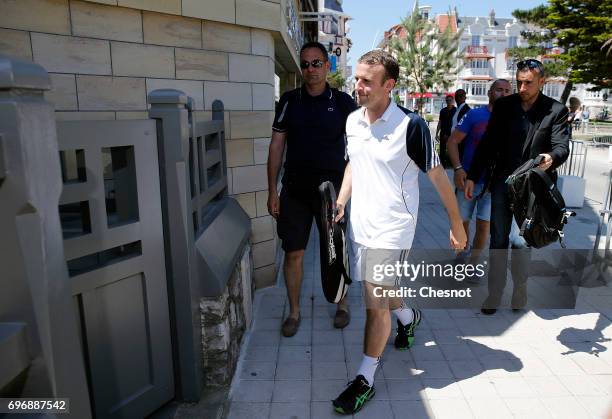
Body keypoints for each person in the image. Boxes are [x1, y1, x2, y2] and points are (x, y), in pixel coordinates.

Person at [331, 50, 467, 414]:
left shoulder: (411, 126)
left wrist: (455, 224)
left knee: (374, 303)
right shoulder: (352, 121)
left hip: (393, 229)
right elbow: (353, 165)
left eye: (366, 81)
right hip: (360, 224)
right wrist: (342, 200)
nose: (357, 86)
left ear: (389, 85)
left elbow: (437, 178)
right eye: (356, 78)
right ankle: (408, 317)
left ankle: (365, 377)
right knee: (385, 293)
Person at [464, 58, 570, 315]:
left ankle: (520, 287)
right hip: (502, 183)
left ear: (541, 82)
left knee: (521, 242)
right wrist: (472, 175)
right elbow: (488, 143)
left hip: (534, 187)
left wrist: (551, 158)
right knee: (498, 240)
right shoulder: (504, 106)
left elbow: (562, 147)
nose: (522, 88)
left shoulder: (555, 110)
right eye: (519, 82)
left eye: (528, 83)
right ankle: (495, 293)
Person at [267, 41, 358, 337]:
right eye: (305, 64)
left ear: (327, 66)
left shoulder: (344, 103)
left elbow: (357, 152)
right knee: (293, 253)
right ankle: (293, 312)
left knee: (335, 252)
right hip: (294, 191)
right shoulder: (290, 100)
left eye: (316, 63)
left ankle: (342, 303)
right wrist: (272, 190)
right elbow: (277, 145)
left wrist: (345, 194)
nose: (310, 69)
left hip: (331, 195)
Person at [447, 79, 512, 264]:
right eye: (499, 89)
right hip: (468, 180)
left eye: (508, 91)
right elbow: (452, 142)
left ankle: (474, 263)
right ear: (490, 93)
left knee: (484, 227)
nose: (504, 93)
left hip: (493, 185)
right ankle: (461, 256)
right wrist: (458, 169)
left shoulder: (514, 119)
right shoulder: (475, 115)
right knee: (462, 223)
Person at [435, 95, 456, 168]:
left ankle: (452, 164)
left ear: (453, 101)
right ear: (446, 101)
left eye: (450, 100)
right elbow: (440, 122)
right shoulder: (442, 111)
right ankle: (443, 165)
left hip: (452, 134)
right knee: (442, 150)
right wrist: (437, 133)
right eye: (447, 100)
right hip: (443, 133)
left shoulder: (456, 111)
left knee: (452, 149)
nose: (449, 102)